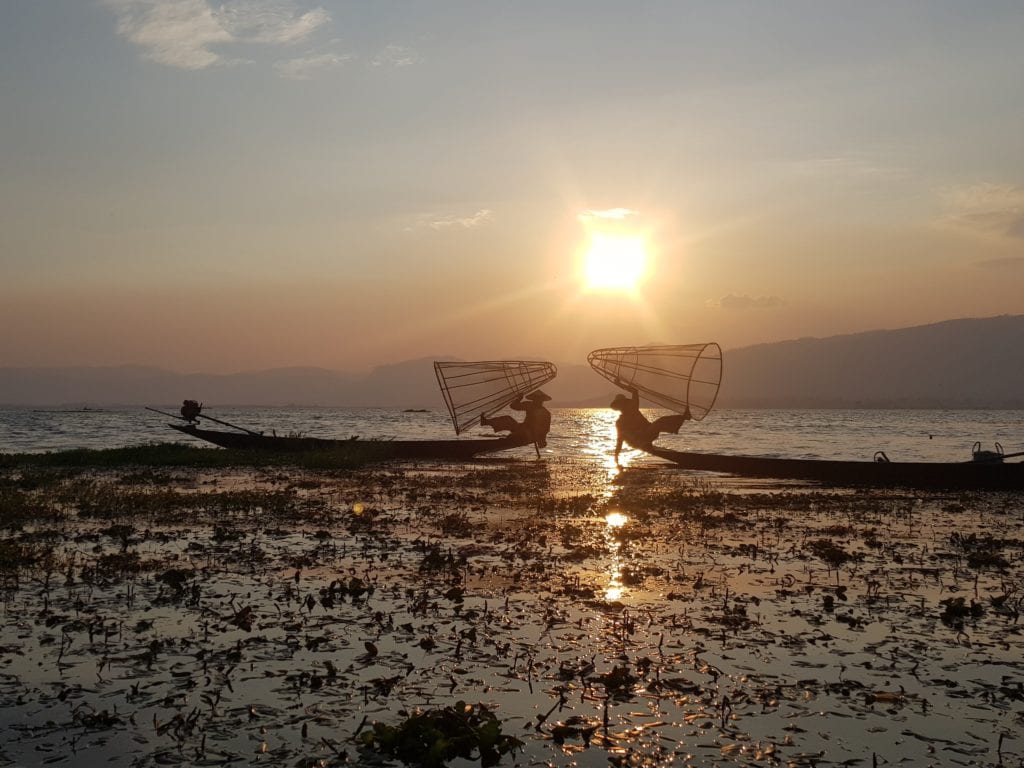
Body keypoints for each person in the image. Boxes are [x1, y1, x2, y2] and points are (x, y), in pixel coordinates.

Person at [610, 386, 688, 464]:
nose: (623, 406)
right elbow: (619, 439)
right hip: (639, 439)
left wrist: (620, 384)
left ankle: (684, 417)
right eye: (621, 404)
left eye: (624, 403)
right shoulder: (620, 422)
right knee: (625, 432)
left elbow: (635, 391)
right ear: (619, 407)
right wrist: (616, 456)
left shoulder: (634, 409)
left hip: (648, 432)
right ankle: (644, 443)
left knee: (661, 421)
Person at [481, 390, 553, 448]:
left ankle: (510, 439)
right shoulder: (529, 405)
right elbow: (513, 406)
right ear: (533, 399)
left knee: (516, 432)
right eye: (535, 399)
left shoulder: (545, 413)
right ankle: (485, 422)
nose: (536, 401)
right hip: (522, 429)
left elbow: (545, 429)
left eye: (538, 399)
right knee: (508, 419)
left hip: (530, 435)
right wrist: (519, 399)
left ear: (542, 400)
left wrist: (541, 440)